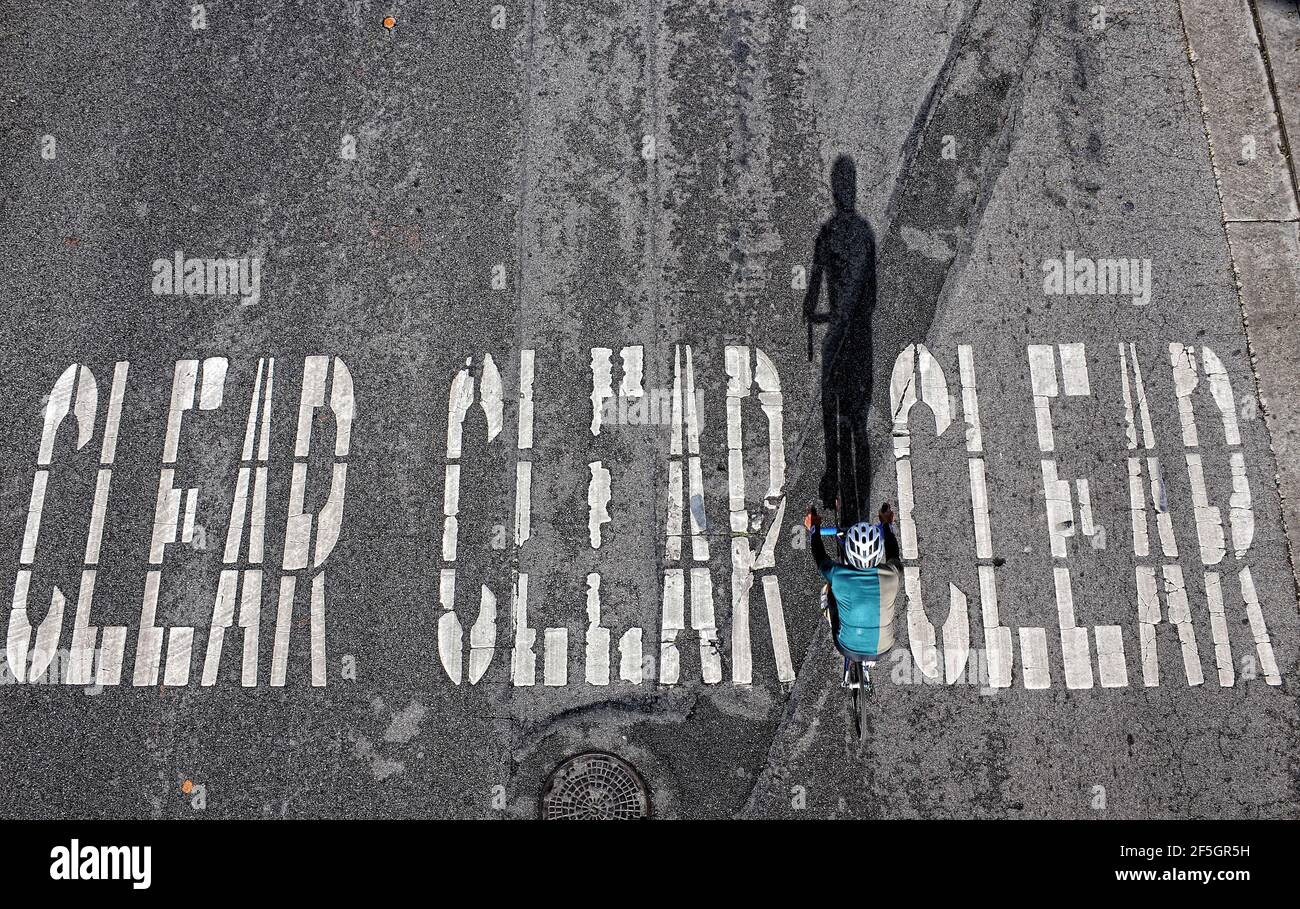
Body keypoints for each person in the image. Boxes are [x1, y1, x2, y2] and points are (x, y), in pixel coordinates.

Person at [804, 502, 901, 680]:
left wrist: (814, 529)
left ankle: (831, 615)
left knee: (828, 591)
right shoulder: (893, 575)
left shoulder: (837, 575)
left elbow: (820, 557)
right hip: (882, 648)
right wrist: (887, 524)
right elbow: (893, 552)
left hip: (846, 646)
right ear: (879, 552)